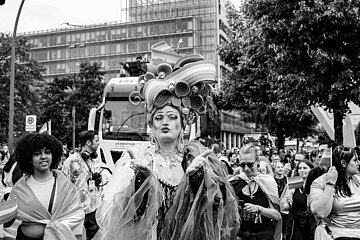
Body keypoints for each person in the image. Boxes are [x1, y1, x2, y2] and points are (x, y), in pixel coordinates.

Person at [93, 43, 240, 240]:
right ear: (151, 125)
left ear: (183, 123)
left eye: (172, 117)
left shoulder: (199, 158)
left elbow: (215, 214)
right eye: (159, 118)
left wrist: (196, 179)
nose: (165, 123)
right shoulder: (141, 160)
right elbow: (127, 220)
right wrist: (140, 183)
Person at [5, 133, 84, 239]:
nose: (43, 157)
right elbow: (8, 222)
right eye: (37, 154)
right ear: (29, 158)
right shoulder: (19, 188)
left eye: (47, 152)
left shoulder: (65, 185)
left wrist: (56, 227)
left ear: (53, 155)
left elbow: (76, 213)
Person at [62, 130, 111, 240]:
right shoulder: (71, 161)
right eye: (96, 140)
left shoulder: (93, 160)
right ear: (88, 142)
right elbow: (64, 185)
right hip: (77, 209)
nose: (99, 143)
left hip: (93, 208)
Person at [230, 144, 282, 240]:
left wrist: (259, 209)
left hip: (263, 235)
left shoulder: (267, 181)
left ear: (257, 162)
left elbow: (277, 215)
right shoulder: (235, 182)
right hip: (240, 236)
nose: (246, 169)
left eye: (250, 164)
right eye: (242, 165)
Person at [310, 146, 360, 239]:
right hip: (334, 235)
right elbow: (320, 213)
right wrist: (330, 184)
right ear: (344, 163)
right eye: (355, 160)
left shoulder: (357, 180)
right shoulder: (320, 182)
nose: (359, 163)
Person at [283, 160, 315, 240]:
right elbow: (285, 206)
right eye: (300, 168)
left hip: (311, 222)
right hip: (296, 222)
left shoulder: (316, 183)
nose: (302, 170)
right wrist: (289, 202)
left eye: (305, 168)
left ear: (311, 169)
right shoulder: (295, 182)